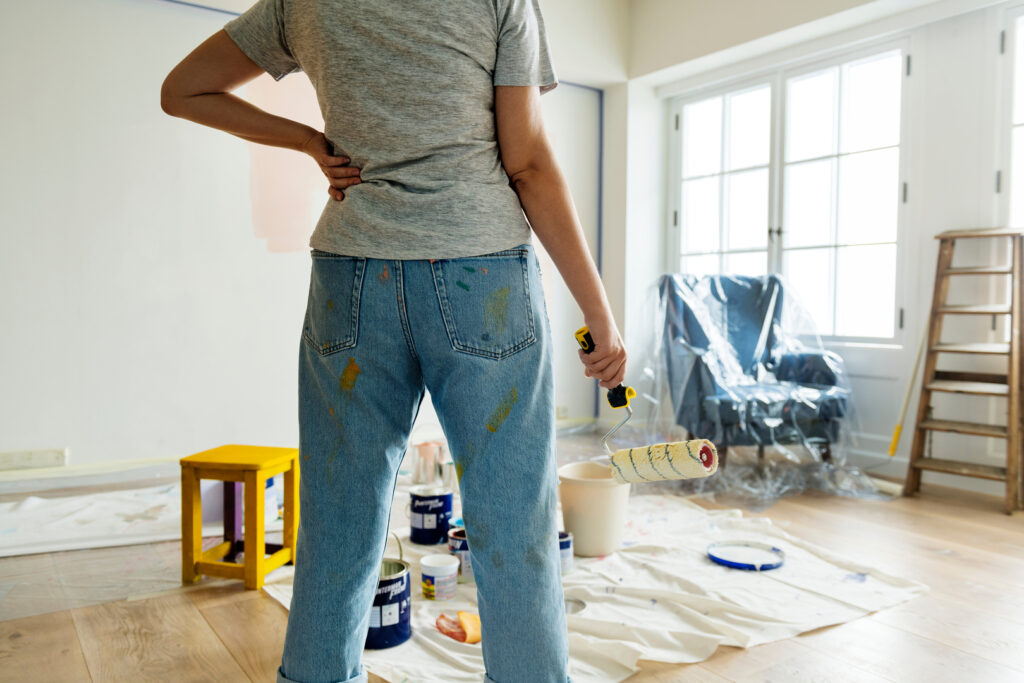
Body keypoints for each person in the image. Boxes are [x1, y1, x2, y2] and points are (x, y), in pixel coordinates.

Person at [161, 1, 626, 681]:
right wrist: (600, 312)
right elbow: (526, 164)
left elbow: (182, 90)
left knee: (337, 529)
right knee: (513, 530)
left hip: (352, 280)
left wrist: (307, 142)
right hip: (483, 276)